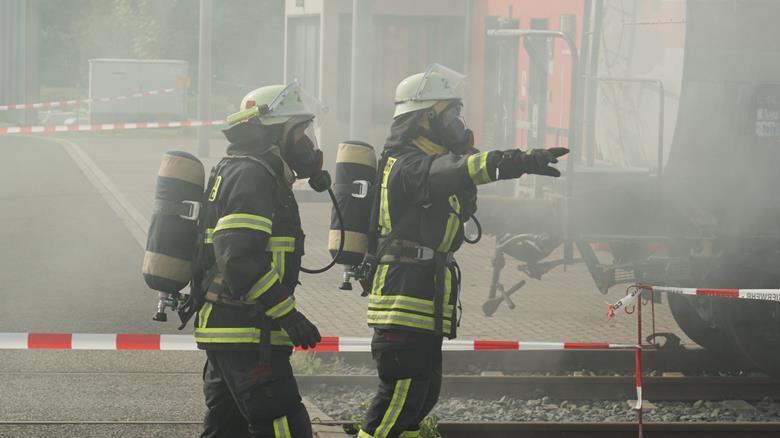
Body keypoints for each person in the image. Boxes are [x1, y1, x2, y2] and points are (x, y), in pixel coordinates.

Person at [358, 64, 569, 438]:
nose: (458, 120)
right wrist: (519, 161)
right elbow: (459, 171)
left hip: (424, 298)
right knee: (399, 399)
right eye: (452, 112)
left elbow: (459, 189)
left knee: (421, 398)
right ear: (425, 119)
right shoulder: (408, 165)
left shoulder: (428, 163)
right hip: (403, 299)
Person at [195, 82, 330, 438]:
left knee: (227, 431)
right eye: (300, 131)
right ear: (276, 132)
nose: (306, 141)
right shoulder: (253, 175)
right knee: (285, 427)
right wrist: (288, 314)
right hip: (247, 331)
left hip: (235, 330)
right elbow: (237, 257)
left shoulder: (252, 171)